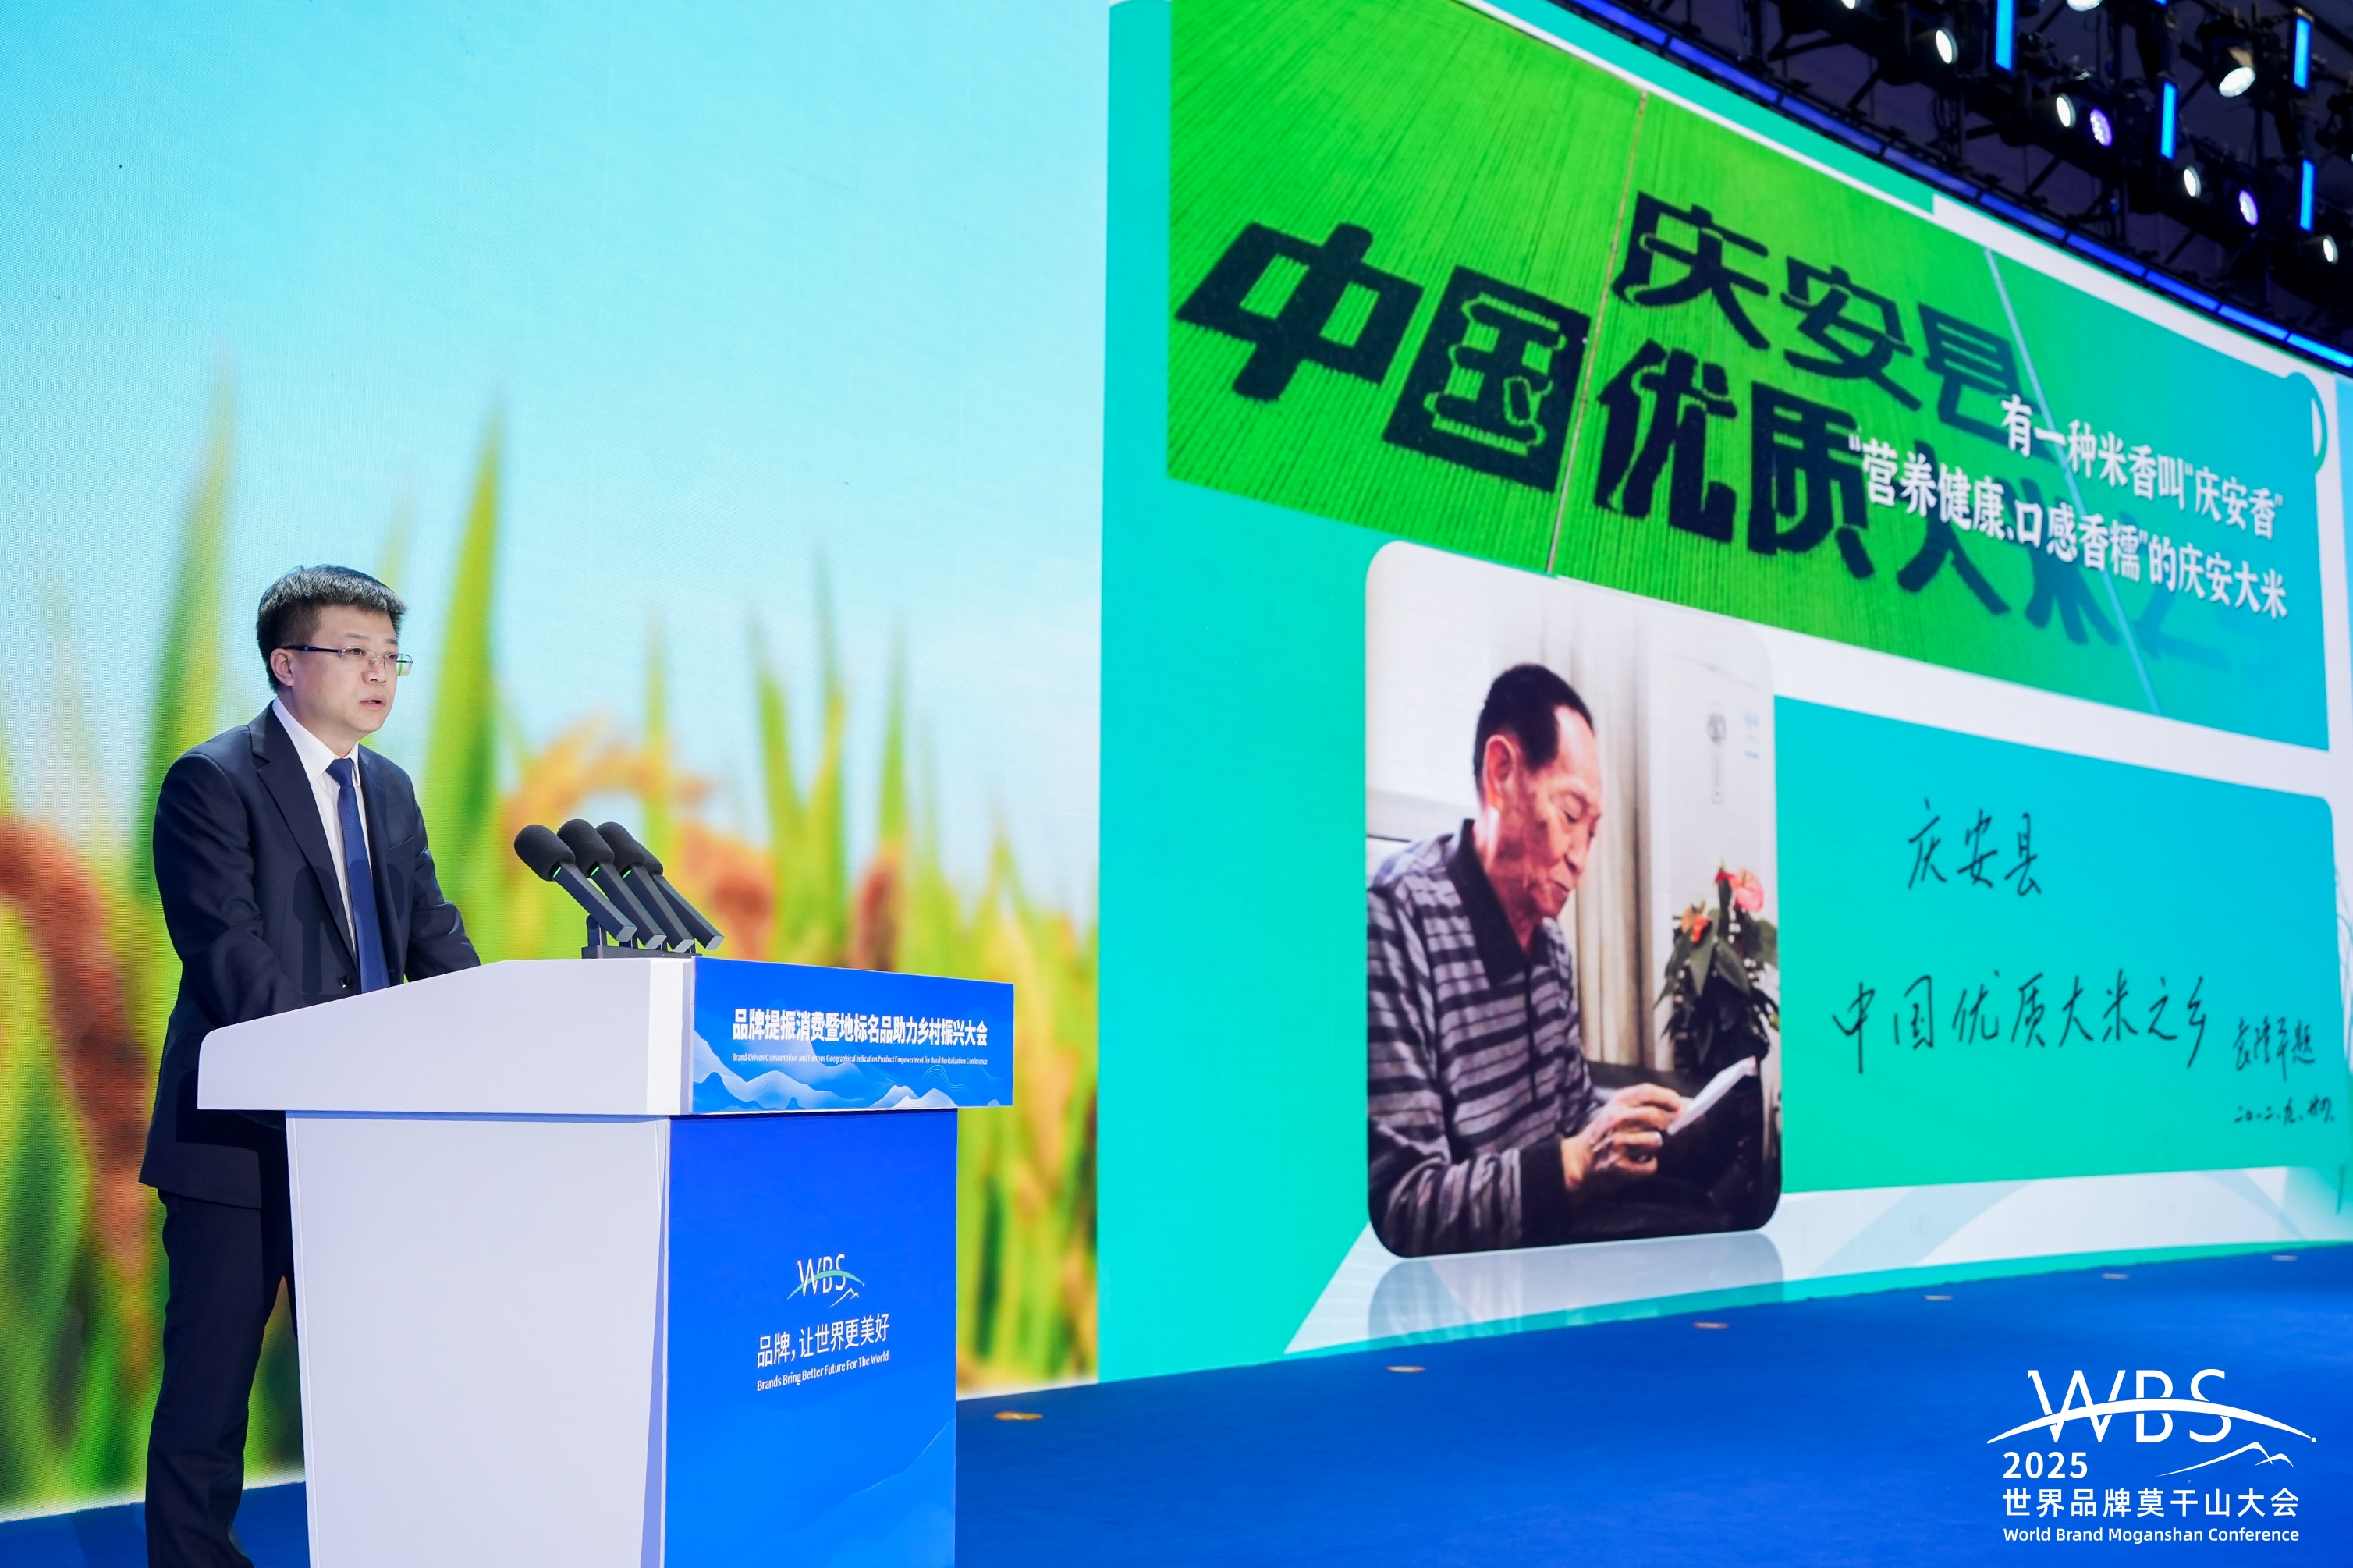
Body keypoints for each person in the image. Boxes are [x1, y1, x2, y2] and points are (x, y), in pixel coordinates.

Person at [140, 566, 479, 1567]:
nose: (379, 675)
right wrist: (351, 1069)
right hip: (240, 1145)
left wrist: (498, 1026)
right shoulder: (213, 782)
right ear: (286, 664)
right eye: (355, 652)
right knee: (210, 1393)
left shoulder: (390, 791)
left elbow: (432, 936)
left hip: (369, 1146)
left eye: (392, 658)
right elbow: (229, 957)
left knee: (379, 1380)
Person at [1367, 663, 1685, 1257]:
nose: (1580, 858)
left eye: (1592, 833)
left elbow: (1573, 1113)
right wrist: (1575, 1164)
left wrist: (1635, 1119)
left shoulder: (1551, 946)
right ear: (1501, 773)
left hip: (1556, 1247)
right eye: (1570, 816)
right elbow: (1403, 1210)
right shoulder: (1394, 917)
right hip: (1473, 1284)